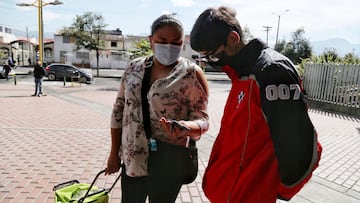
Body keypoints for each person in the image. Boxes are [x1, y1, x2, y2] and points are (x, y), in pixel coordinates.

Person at [190, 6, 322, 203]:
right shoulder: (240, 73)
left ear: (233, 39)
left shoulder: (271, 71)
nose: (210, 61)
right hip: (229, 194)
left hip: (249, 195)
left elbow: (298, 144)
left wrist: (280, 190)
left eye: (212, 55)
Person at [106, 14, 209, 203]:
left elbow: (203, 120)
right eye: (162, 41)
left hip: (168, 161)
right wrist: (114, 154)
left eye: (175, 43)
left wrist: (186, 127)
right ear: (151, 41)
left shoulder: (192, 74)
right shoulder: (134, 68)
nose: (168, 47)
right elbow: (118, 111)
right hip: (133, 158)